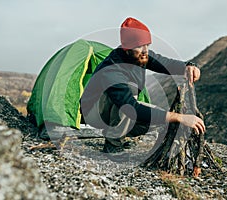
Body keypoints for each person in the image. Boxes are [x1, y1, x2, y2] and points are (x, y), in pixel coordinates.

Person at [80, 17, 205, 153]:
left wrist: (189, 66)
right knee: (131, 101)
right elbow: (130, 108)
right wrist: (179, 117)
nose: (145, 50)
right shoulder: (112, 69)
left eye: (147, 45)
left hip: (116, 108)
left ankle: (117, 133)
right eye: (139, 46)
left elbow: (166, 63)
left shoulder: (140, 56)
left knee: (157, 120)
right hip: (93, 112)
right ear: (127, 49)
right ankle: (113, 143)